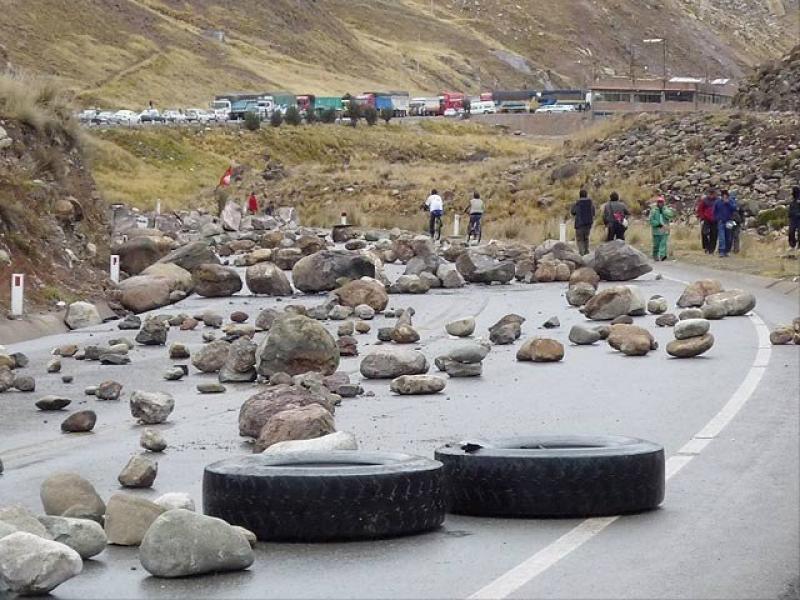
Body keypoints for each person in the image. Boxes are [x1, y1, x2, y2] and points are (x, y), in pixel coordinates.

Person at [649, 195, 674, 261]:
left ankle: (662, 256)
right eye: (659, 202)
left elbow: (671, 215)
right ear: (657, 202)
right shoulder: (653, 210)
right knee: (656, 245)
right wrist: (659, 225)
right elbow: (651, 220)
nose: (660, 203)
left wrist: (664, 211)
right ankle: (655, 255)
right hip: (656, 230)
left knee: (663, 243)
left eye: (662, 202)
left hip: (665, 229)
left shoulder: (666, 209)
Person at [570, 189, 595, 255]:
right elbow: (593, 213)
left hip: (579, 224)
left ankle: (581, 253)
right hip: (588, 224)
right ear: (586, 195)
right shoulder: (590, 203)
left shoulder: (577, 203)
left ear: (580, 195)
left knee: (580, 239)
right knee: (586, 238)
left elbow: (573, 212)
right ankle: (586, 252)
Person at [714, 189, 737, 257]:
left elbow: (734, 208)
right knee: (721, 237)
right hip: (721, 221)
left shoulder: (731, 201)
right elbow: (715, 211)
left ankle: (727, 251)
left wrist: (728, 203)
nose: (724, 197)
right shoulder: (718, 202)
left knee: (728, 237)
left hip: (729, 221)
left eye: (726, 195)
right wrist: (717, 218)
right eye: (723, 195)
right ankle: (721, 251)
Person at [695, 189, 718, 254]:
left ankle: (712, 249)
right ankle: (706, 247)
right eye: (710, 194)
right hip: (706, 219)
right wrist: (702, 217)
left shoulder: (717, 201)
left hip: (715, 220)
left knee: (714, 235)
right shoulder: (704, 201)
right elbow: (700, 209)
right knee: (704, 233)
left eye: (712, 194)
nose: (711, 195)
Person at [789, 186, 800, 252]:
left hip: (799, 218)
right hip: (793, 218)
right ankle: (792, 245)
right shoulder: (793, 199)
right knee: (791, 232)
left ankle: (799, 246)